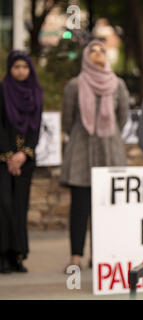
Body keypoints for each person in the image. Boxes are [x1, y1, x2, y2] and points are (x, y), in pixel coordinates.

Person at [60, 40, 130, 271]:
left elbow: (123, 117)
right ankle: (76, 257)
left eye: (102, 50)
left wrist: (106, 134)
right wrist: (85, 134)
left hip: (110, 151)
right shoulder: (74, 85)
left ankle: (101, 255)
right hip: (81, 152)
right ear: (85, 56)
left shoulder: (117, 84)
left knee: (107, 207)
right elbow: (67, 121)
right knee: (79, 207)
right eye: (93, 50)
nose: (98, 53)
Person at [0, 50, 43, 273]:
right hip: (2, 160)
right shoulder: (2, 90)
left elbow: (35, 128)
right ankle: (3, 256)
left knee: (19, 208)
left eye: (24, 67)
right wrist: (9, 155)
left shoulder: (35, 93)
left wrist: (23, 154)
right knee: (4, 206)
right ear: (10, 69)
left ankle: (18, 256)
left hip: (25, 161)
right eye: (16, 67)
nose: (21, 71)